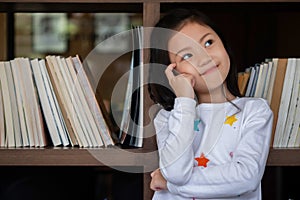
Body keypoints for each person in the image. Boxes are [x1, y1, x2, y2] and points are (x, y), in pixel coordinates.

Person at [148, 8, 273, 200]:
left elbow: (246, 177)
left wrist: (170, 185)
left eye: (208, 42)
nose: (204, 58)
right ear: (172, 72)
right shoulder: (168, 118)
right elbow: (176, 173)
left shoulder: (254, 111)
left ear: (224, 44)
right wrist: (185, 101)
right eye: (187, 56)